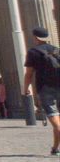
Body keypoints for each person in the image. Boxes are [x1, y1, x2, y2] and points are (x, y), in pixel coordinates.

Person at [22, 27, 60, 155]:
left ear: (36, 37)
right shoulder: (56, 50)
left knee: (55, 119)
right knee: (57, 122)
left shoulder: (33, 52)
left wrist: (26, 88)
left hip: (45, 88)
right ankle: (55, 148)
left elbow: (29, 74)